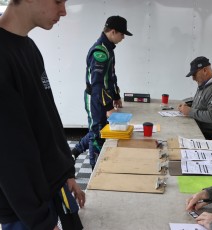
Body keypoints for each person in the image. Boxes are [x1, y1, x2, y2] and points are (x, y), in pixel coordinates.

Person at [0, 0, 85, 229]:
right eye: (58, 1)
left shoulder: (29, 47)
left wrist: (66, 173)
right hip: (24, 211)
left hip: (53, 187)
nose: (64, 11)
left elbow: (48, 119)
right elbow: (8, 154)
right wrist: (40, 221)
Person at [72, 15, 133, 170]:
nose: (123, 37)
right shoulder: (100, 51)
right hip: (95, 98)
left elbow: (111, 76)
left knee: (100, 130)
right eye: (122, 34)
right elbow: (98, 84)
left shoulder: (108, 49)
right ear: (113, 32)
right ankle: (95, 171)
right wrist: (108, 108)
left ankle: (75, 151)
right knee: (97, 133)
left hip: (102, 96)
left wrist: (117, 96)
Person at [178, 56, 212, 142]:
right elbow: (203, 106)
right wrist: (188, 107)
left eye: (194, 74)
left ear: (205, 70)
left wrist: (190, 111)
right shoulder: (204, 86)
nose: (193, 78)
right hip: (200, 131)